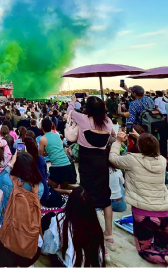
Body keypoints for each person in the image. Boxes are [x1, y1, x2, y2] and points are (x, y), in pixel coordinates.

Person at [109, 131, 168, 265]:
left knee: (144, 250)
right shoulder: (162, 160)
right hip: (165, 213)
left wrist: (118, 142)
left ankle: (164, 259)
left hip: (144, 215)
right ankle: (165, 255)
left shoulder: (132, 160)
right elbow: (151, 152)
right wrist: (141, 138)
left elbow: (113, 159)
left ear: (140, 148)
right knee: (163, 247)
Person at [67, 95, 115, 255]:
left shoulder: (83, 119)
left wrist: (73, 100)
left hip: (86, 160)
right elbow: (112, 135)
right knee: (105, 197)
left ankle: (96, 236)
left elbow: (69, 111)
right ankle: (109, 235)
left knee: (88, 197)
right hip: (102, 160)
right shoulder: (108, 122)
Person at [0, 151, 44, 268]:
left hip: (7, 226)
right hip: (29, 229)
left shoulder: (9, 182)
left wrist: (11, 163)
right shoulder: (39, 186)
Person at [42, 187, 107, 267]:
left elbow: (47, 248)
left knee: (49, 217)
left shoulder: (61, 220)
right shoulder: (94, 224)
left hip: (68, 265)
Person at [39, 118, 74, 189]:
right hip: (67, 164)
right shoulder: (57, 135)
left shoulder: (42, 139)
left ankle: (68, 192)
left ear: (42, 127)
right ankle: (79, 190)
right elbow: (56, 150)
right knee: (64, 186)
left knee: (50, 188)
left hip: (57, 167)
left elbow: (40, 156)